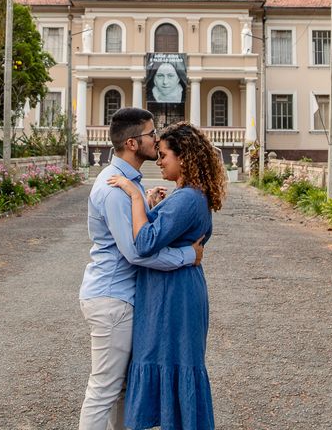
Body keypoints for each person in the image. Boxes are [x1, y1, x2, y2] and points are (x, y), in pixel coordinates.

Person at [78, 108, 204, 430]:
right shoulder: (116, 188)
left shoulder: (127, 184)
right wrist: (187, 256)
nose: (157, 139)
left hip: (120, 297)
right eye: (151, 134)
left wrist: (145, 204)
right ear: (133, 143)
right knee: (104, 389)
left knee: (121, 389)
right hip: (113, 298)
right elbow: (137, 250)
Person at [107, 121, 227, 430]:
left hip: (174, 295)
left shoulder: (187, 198)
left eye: (163, 156)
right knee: (170, 361)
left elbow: (144, 242)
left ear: (184, 157)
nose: (158, 162)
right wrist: (150, 207)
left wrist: (135, 197)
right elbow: (159, 233)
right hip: (173, 287)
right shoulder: (186, 195)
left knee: (175, 361)